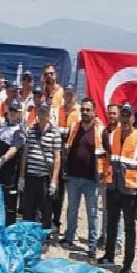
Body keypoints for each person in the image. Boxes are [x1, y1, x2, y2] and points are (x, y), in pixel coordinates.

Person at [98, 102, 137, 273]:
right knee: (111, 223)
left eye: (128, 115)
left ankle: (127, 266)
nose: (125, 118)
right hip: (113, 188)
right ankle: (109, 256)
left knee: (129, 229)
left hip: (130, 192)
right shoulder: (113, 135)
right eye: (123, 115)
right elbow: (108, 159)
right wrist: (104, 177)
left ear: (133, 118)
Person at [60, 98, 106, 258]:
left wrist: (102, 176)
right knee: (72, 209)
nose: (85, 112)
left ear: (94, 112)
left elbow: (106, 155)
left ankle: (92, 246)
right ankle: (69, 237)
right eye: (83, 110)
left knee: (92, 213)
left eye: (88, 110)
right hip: (73, 177)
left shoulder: (100, 131)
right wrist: (65, 170)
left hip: (91, 180)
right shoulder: (74, 127)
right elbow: (67, 150)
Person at [18, 102, 61, 232]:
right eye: (41, 112)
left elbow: (57, 158)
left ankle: (45, 237)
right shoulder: (31, 131)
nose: (43, 115)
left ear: (49, 115)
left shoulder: (55, 133)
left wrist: (54, 181)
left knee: (46, 209)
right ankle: (28, 235)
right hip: (31, 177)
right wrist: (22, 176)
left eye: (45, 113)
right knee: (28, 209)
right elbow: (25, 154)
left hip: (44, 178)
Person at [51, 83, 81, 233]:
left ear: (75, 96)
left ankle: (70, 229)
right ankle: (54, 221)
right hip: (57, 155)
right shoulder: (56, 111)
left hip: (72, 158)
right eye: (66, 94)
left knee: (73, 196)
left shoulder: (80, 113)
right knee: (57, 190)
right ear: (63, 96)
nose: (68, 97)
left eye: (71, 94)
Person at [0, 100, 26, 226]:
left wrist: (3, 159)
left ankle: (9, 229)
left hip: (11, 175)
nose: (12, 113)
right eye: (10, 110)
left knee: (10, 205)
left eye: (15, 111)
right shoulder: (3, 128)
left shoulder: (19, 131)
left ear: (19, 114)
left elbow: (14, 148)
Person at [98, 104, 124, 250]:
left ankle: (118, 241)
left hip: (121, 177)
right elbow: (106, 154)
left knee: (118, 210)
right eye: (110, 113)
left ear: (119, 115)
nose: (112, 116)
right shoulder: (105, 132)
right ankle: (106, 236)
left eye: (114, 113)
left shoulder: (123, 132)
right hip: (108, 175)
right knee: (107, 208)